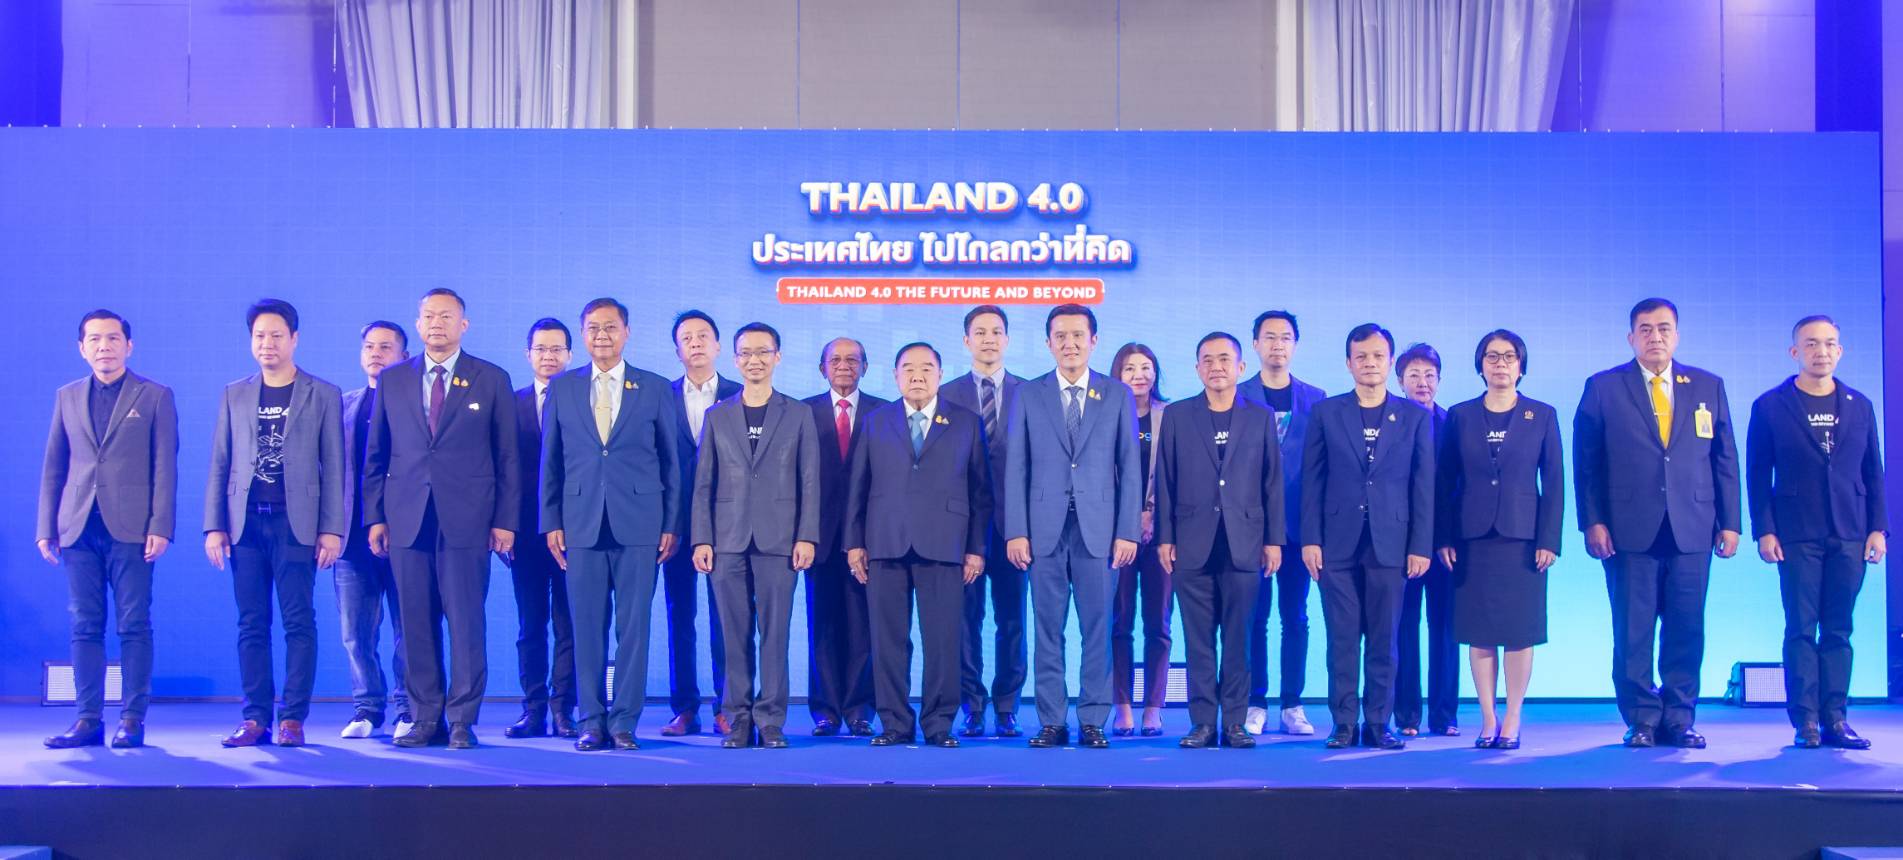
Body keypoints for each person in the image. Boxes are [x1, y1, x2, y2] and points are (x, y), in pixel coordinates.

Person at [1574, 297, 1740, 749]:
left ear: (1677, 335)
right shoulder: (1603, 387)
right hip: (1628, 529)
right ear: (1631, 338)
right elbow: (1587, 463)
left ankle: (1680, 718)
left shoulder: (1707, 385)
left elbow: (1725, 458)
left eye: (1664, 328)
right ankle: (1642, 718)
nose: (1655, 336)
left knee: (1687, 629)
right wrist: (1592, 521)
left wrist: (1731, 522)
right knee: (1633, 630)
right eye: (1645, 329)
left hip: (1694, 526)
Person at [364, 288, 520, 750]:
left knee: (466, 624)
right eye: (429, 316)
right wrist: (375, 516)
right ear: (418, 325)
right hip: (406, 519)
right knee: (414, 624)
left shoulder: (491, 378)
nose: (437, 323)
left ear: (463, 325)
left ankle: (461, 720)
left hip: (468, 521)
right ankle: (424, 717)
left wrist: (505, 520)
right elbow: (377, 454)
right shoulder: (393, 380)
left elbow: (508, 457)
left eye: (446, 316)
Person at [541, 298, 681, 751]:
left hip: (641, 523)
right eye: (593, 328)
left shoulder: (655, 387)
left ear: (627, 332)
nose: (602, 335)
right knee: (586, 628)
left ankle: (623, 722)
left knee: (633, 629)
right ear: (583, 334)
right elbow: (551, 461)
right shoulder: (562, 388)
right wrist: (551, 520)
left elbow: (671, 461)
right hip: (579, 523)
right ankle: (591, 720)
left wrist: (671, 522)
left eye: (611, 327)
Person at [204, 299, 344, 748]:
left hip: (296, 525)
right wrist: (214, 525)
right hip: (245, 526)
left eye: (276, 335)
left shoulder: (322, 394)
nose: (267, 343)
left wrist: (332, 529)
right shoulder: (235, 393)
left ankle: (293, 719)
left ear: (294, 339)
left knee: (298, 622)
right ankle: (255, 718)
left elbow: (335, 468)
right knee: (251, 623)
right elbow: (220, 461)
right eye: (260, 336)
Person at [1004, 304, 1142, 750]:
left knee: (1098, 629)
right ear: (1048, 343)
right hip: (1042, 529)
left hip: (1099, 531)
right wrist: (1016, 530)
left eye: (1078, 335)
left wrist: (1127, 531)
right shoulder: (1029, 394)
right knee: (1047, 629)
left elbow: (1130, 467)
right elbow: (1017, 466)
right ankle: (1051, 720)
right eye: (1060, 336)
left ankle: (1093, 719)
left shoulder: (1116, 394)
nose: (1070, 344)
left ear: (1093, 341)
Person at [38, 309, 177, 750]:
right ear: (81, 348)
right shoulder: (67, 396)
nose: (104, 347)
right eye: (95, 339)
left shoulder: (154, 395)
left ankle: (132, 719)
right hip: (77, 527)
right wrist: (46, 526)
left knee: (133, 624)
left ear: (128, 346)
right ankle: (87, 719)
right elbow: (54, 464)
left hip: (132, 529)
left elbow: (165, 466)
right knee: (84, 624)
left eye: (113, 338)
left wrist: (161, 525)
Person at [1747, 315, 1887, 750]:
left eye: (1829, 344)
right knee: (1801, 628)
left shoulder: (1860, 404)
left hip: (1850, 531)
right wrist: (1764, 530)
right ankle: (1805, 720)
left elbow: (1874, 471)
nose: (1820, 351)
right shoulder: (1770, 406)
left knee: (1839, 630)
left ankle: (1836, 718)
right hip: (1795, 533)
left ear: (1839, 351)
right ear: (1795, 352)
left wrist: (1878, 529)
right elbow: (1757, 474)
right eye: (1811, 344)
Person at [845, 342, 991, 748]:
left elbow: (981, 492)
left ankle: (939, 723)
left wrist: (976, 549)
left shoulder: (965, 422)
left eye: (927, 368)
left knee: (943, 640)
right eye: (908, 368)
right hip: (884, 543)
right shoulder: (875, 421)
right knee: (888, 640)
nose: (917, 376)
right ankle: (894, 722)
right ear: (895, 376)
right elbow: (858, 487)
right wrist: (854, 544)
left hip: (946, 544)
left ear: (940, 375)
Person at [1300, 323, 1433, 751]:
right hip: (1336, 544)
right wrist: (1310, 539)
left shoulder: (1414, 416)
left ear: (1389, 362)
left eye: (1378, 356)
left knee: (1384, 640)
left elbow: (1423, 486)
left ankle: (1378, 723)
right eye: (1361, 356)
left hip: (1392, 544)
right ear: (1348, 363)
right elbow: (1312, 481)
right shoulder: (1326, 412)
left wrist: (1420, 545)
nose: (1370, 363)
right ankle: (1343, 723)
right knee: (1341, 639)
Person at [691, 322, 821, 749]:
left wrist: (806, 536)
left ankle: (770, 720)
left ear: (777, 357)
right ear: (735, 359)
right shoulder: (717, 415)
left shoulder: (798, 413)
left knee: (775, 634)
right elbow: (703, 483)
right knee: (732, 635)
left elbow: (809, 481)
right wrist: (701, 538)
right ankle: (737, 718)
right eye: (746, 353)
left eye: (763, 352)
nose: (754, 360)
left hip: (780, 540)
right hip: (726, 540)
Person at [1155, 332, 1284, 749]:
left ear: (1241, 367)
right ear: (1197, 369)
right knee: (1198, 641)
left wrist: (1274, 540)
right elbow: (1166, 480)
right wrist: (1165, 537)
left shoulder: (1260, 416)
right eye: (1207, 360)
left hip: (1245, 543)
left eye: (1225, 359)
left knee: (1239, 639)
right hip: (1191, 542)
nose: (1216, 367)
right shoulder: (1178, 415)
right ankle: (1202, 723)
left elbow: (1272, 482)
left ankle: (1235, 723)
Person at [1435, 330, 1563, 749]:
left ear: (1521, 366)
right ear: (1481, 365)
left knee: (1520, 630)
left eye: (1509, 357)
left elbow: (1555, 483)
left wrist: (1549, 539)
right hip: (1472, 539)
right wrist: (1444, 536)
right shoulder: (1460, 415)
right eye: (1492, 356)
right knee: (1480, 630)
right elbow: (1446, 481)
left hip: (1524, 539)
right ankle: (1488, 718)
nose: (1501, 363)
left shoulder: (1542, 415)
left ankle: (1513, 716)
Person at [940, 305, 1029, 737]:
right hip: (961, 528)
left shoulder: (1031, 393)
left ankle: (1008, 705)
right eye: (980, 332)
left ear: (1007, 340)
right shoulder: (945, 394)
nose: (989, 339)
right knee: (964, 620)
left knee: (1012, 621)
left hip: (1016, 527)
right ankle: (971, 705)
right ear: (966, 341)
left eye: (996, 331)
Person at [1239, 310, 1324, 736]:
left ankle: (1293, 703)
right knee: (1254, 618)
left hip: (1298, 528)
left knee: (1296, 617)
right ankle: (1255, 701)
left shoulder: (1317, 399)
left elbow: (1321, 471)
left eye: (1285, 337)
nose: (1277, 344)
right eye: (1269, 337)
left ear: (1295, 345)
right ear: (1255, 343)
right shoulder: (1238, 396)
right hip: (1250, 528)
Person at [802, 337, 886, 737]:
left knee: (863, 626)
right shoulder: (802, 413)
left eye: (853, 360)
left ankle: (860, 709)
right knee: (822, 625)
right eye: (834, 360)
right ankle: (825, 710)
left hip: (868, 538)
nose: (843, 366)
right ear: (822, 368)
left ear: (865, 367)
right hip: (816, 538)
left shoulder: (884, 413)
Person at [662, 310, 740, 737]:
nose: (695, 343)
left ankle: (727, 706)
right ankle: (684, 708)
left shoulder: (739, 395)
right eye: (687, 337)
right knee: (680, 616)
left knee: (726, 618)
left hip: (726, 524)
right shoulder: (660, 395)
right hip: (674, 525)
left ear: (718, 346)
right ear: (677, 349)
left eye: (703, 336)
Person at [335, 321, 413, 740]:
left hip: (405, 537)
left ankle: (408, 708)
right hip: (351, 539)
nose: (376, 354)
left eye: (386, 347)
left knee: (408, 631)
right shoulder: (342, 406)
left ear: (404, 357)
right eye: (369, 346)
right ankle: (366, 708)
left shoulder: (415, 406)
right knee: (355, 633)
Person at [505, 318, 579, 740]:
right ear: (528, 354)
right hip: (524, 534)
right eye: (541, 349)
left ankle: (564, 709)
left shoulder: (584, 401)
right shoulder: (509, 403)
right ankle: (532, 709)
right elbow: (499, 471)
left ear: (570, 354)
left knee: (570, 626)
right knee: (530, 625)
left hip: (574, 532)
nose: (548, 356)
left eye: (556, 349)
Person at [1393, 342, 1458, 738]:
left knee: (1446, 628)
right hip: (1400, 543)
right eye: (1414, 375)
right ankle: (1407, 715)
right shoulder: (1391, 422)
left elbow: (1458, 487)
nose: (1422, 382)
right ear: (1400, 381)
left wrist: (1448, 537)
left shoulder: (1454, 423)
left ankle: (1444, 715)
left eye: (1429, 375)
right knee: (1403, 627)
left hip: (1446, 544)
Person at [1110, 342, 1172, 737]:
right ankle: (1122, 707)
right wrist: (1128, 520)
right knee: (1119, 622)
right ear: (1117, 374)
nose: (1139, 375)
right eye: (1130, 367)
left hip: (1162, 535)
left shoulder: (1172, 415)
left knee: (1159, 623)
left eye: (1146, 367)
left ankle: (1153, 706)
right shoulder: (1105, 415)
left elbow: (1178, 476)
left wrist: (1153, 515)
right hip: (1115, 535)